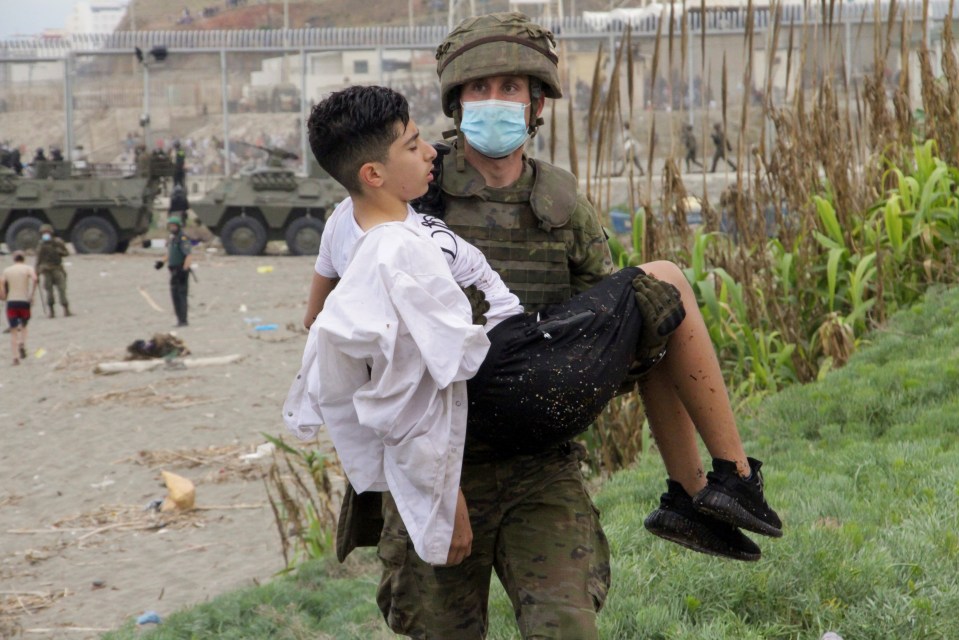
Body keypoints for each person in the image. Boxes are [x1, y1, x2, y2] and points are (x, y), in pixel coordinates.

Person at [304, 13, 778, 639]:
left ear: (536, 103)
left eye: (511, 88)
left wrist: (601, 368)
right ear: (455, 101)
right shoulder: (399, 192)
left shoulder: (561, 204)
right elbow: (336, 338)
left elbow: (608, 330)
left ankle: (703, 491)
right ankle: (713, 485)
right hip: (443, 465)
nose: (494, 102)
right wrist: (431, 482)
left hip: (540, 468)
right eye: (479, 89)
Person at [154, 215, 192, 327]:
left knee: (181, 294)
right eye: (170, 225)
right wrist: (162, 262)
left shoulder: (183, 238)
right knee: (174, 295)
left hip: (181, 269)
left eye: (174, 225)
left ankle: (183, 320)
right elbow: (170, 253)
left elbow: (188, 255)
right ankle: (178, 319)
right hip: (173, 269)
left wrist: (184, 269)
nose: (172, 227)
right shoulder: (172, 238)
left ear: (179, 226)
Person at [1, 251, 38, 365]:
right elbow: (35, 279)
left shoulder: (7, 270)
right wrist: (32, 294)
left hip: (11, 302)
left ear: (14, 259)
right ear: (23, 258)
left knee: (13, 330)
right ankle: (22, 343)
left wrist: (3, 295)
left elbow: (1, 282)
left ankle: (15, 357)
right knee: (24, 325)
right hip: (24, 301)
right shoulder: (27, 268)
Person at [35, 224, 71, 318]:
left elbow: (66, 253)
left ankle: (66, 309)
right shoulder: (41, 244)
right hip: (46, 270)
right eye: (43, 233)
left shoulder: (58, 242)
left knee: (62, 290)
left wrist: (60, 251)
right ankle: (52, 312)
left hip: (57, 268)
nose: (45, 235)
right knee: (49, 292)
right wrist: (36, 272)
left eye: (47, 233)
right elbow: (38, 259)